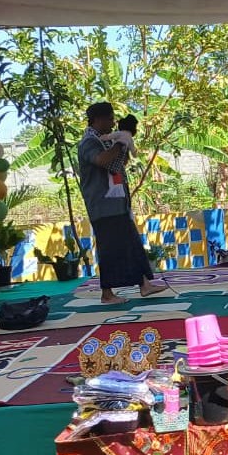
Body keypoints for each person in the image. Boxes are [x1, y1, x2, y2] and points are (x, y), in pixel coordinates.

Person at [77, 102, 165, 304]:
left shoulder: (106, 141)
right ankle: (107, 294)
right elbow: (102, 160)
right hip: (103, 206)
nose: (112, 123)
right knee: (109, 250)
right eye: (109, 119)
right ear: (98, 119)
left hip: (117, 203)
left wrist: (124, 140)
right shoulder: (89, 142)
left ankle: (145, 284)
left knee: (132, 244)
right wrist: (120, 140)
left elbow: (119, 164)